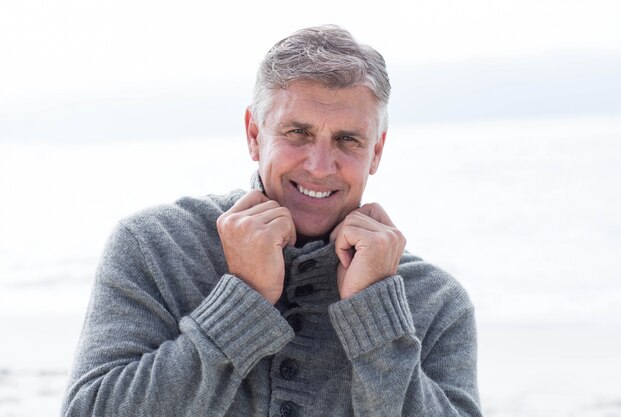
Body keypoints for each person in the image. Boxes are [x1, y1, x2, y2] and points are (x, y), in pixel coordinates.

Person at [62, 25, 482, 416]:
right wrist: (243, 299)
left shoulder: (436, 300)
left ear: (376, 151)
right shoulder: (153, 246)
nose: (319, 166)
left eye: (347, 140)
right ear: (253, 134)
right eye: (297, 133)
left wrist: (376, 314)